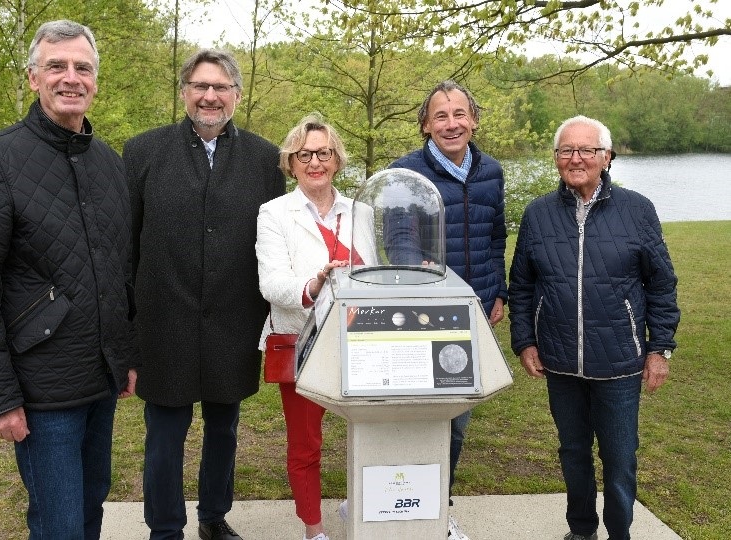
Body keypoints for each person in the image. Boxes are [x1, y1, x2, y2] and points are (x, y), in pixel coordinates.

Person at [0, 19, 138, 539]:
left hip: (99, 380)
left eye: (82, 67)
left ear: (95, 80)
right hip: (40, 390)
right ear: (33, 78)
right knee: (60, 525)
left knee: (91, 508)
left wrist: (127, 355)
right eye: (57, 66)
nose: (70, 77)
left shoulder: (108, 164)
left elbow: (119, 272)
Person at [124, 49, 285, 540]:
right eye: (200, 86)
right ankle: (165, 528)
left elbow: (274, 241)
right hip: (162, 322)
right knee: (165, 437)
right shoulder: (143, 152)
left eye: (220, 87)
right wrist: (128, 327)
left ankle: (214, 518)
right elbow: (125, 245)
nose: (210, 96)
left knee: (224, 431)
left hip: (233, 324)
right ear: (184, 93)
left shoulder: (263, 158)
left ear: (237, 94)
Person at [508, 115, 680, 540]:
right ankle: (581, 530)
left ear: (606, 157)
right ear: (556, 159)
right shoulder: (538, 215)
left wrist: (660, 349)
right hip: (560, 360)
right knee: (573, 453)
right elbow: (523, 284)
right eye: (566, 150)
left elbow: (661, 283)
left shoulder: (637, 210)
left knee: (620, 459)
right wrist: (525, 342)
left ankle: (619, 533)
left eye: (587, 150)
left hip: (620, 362)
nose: (576, 158)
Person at [388, 80, 507, 540]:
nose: (452, 123)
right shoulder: (405, 174)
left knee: (456, 419)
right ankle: (396, 502)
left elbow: (495, 236)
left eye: (460, 114)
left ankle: (437, 507)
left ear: (474, 120)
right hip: (423, 315)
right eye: (441, 115)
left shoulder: (491, 171)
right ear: (425, 125)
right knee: (410, 415)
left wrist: (497, 291)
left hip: (473, 316)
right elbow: (399, 244)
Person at [255, 114, 373, 540]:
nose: (315, 162)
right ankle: (314, 529)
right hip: (303, 344)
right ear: (291, 163)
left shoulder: (362, 212)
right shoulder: (274, 214)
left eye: (323, 152)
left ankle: (360, 506)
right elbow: (271, 283)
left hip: (361, 346)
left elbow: (375, 274)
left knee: (373, 432)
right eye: (304, 154)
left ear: (337, 159)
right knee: (306, 444)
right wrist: (315, 282)